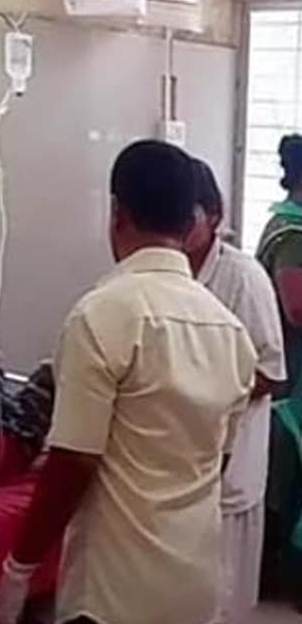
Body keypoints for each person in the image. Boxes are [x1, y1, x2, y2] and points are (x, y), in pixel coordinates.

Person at [0, 140, 257, 624]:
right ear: (190, 221)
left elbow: (73, 462)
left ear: (117, 213)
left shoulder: (103, 315)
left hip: (115, 593)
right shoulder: (230, 331)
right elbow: (215, 461)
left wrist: (19, 566)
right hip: (195, 584)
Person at [185, 159, 286, 623]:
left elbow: (272, 372)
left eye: (191, 218)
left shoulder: (242, 278)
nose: (181, 230)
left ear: (214, 217)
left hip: (233, 463)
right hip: (184, 466)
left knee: (223, 600)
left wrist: (201, 390)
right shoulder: (166, 273)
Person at [255, 134, 302, 608]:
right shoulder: (291, 234)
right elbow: (297, 308)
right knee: (287, 481)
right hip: (290, 384)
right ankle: (283, 579)